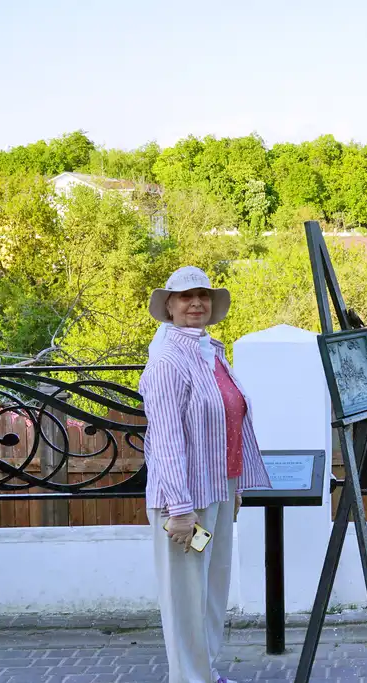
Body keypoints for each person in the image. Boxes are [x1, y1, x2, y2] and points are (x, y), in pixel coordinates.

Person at [139, 266, 272, 683]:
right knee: (185, 599)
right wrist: (179, 510)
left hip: (217, 489)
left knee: (212, 594)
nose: (195, 303)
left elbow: (226, 424)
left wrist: (233, 486)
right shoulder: (167, 360)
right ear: (169, 307)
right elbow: (165, 439)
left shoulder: (211, 353)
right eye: (185, 297)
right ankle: (189, 679)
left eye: (203, 296)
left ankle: (205, 673)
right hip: (184, 501)